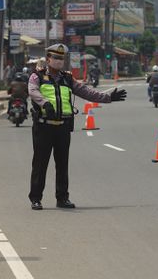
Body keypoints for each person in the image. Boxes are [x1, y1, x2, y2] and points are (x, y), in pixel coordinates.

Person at [28, 44, 127, 210]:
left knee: (62, 164)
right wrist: (45, 104)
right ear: (48, 59)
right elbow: (32, 91)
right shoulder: (37, 76)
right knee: (40, 164)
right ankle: (36, 198)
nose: (59, 61)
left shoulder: (67, 79)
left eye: (61, 58)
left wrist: (108, 98)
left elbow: (87, 92)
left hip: (63, 128)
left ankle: (62, 198)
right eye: (55, 57)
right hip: (43, 127)